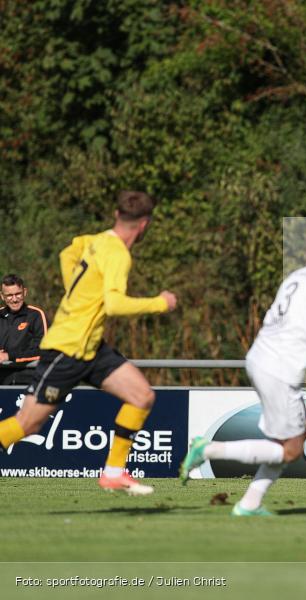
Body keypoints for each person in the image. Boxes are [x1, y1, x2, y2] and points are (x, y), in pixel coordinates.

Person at [181, 221, 306, 516]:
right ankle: (207, 451)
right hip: (280, 369)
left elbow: (296, 331)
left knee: (295, 435)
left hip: (260, 357)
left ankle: (250, 503)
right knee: (292, 449)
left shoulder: (297, 277)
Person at [0, 191, 177, 495]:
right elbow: (114, 304)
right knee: (28, 424)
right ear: (144, 224)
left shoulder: (95, 240)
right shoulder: (119, 253)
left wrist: (79, 295)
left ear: (117, 215)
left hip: (91, 347)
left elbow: (66, 254)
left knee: (141, 396)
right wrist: (160, 303)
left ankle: (113, 473)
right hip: (66, 349)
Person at [0, 274, 48, 385]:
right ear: (2, 296)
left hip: (28, 381)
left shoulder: (36, 315)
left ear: (25, 292)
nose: (14, 299)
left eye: (18, 294)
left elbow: (44, 352)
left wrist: (8, 356)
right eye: (9, 295)